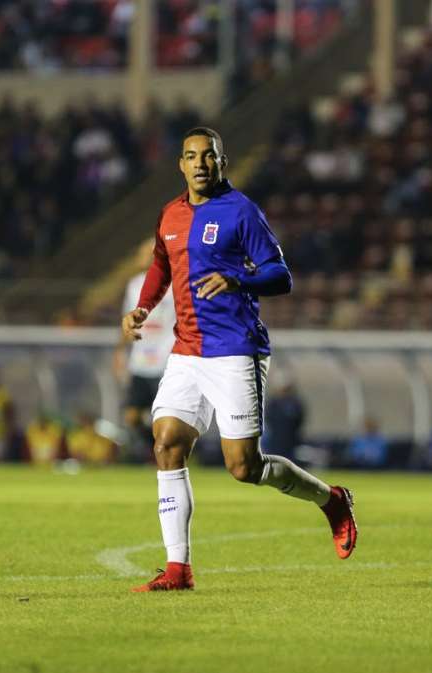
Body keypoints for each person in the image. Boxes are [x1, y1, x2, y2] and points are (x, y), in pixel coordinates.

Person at [120, 126, 357, 592]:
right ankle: (177, 569)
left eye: (209, 156)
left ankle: (330, 500)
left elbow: (281, 276)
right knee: (166, 441)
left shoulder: (241, 211)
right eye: (191, 156)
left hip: (235, 349)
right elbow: (160, 266)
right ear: (181, 165)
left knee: (243, 467)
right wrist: (144, 308)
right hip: (187, 350)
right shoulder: (169, 215)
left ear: (222, 162)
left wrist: (238, 280)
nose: (201, 163)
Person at [113, 238, 176, 461]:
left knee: (165, 416)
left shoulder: (175, 284)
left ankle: (171, 452)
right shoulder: (135, 284)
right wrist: (119, 351)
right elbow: (127, 321)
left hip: (166, 360)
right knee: (131, 415)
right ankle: (157, 450)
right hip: (140, 360)